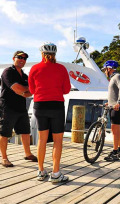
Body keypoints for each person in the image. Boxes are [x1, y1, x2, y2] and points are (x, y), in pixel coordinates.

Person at [28, 42, 71, 182]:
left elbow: (32, 91)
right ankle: (56, 173)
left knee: (42, 139)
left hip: (40, 106)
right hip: (57, 106)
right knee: (58, 141)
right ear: (55, 54)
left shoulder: (34, 69)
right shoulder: (61, 69)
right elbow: (66, 90)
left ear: (42, 54)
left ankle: (40, 171)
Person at [0, 51, 38, 167]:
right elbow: (17, 88)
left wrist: (24, 91)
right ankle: (4, 158)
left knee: (25, 132)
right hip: (7, 107)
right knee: (4, 133)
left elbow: (30, 93)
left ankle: (28, 153)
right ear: (13, 58)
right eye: (19, 57)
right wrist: (25, 90)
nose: (22, 60)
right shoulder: (8, 72)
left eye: (24, 58)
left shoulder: (25, 76)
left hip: (21, 108)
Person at [102, 60, 120, 161]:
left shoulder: (117, 76)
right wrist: (110, 102)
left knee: (114, 129)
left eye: (105, 69)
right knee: (117, 129)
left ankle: (115, 152)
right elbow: (114, 93)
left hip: (117, 107)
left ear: (109, 68)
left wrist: (118, 103)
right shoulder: (113, 78)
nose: (104, 72)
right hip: (114, 105)